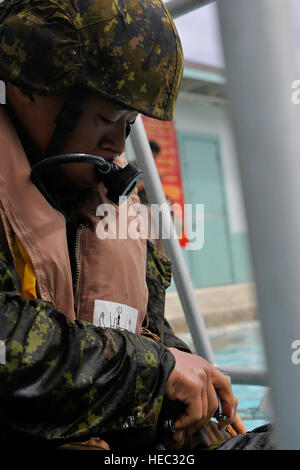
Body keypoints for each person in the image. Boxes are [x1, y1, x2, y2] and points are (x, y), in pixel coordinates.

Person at [0, 0, 246, 450]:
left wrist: (190, 378)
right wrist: (157, 373)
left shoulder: (106, 199)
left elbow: (144, 328)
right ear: (31, 85)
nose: (117, 145)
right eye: (107, 118)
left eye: (128, 122)